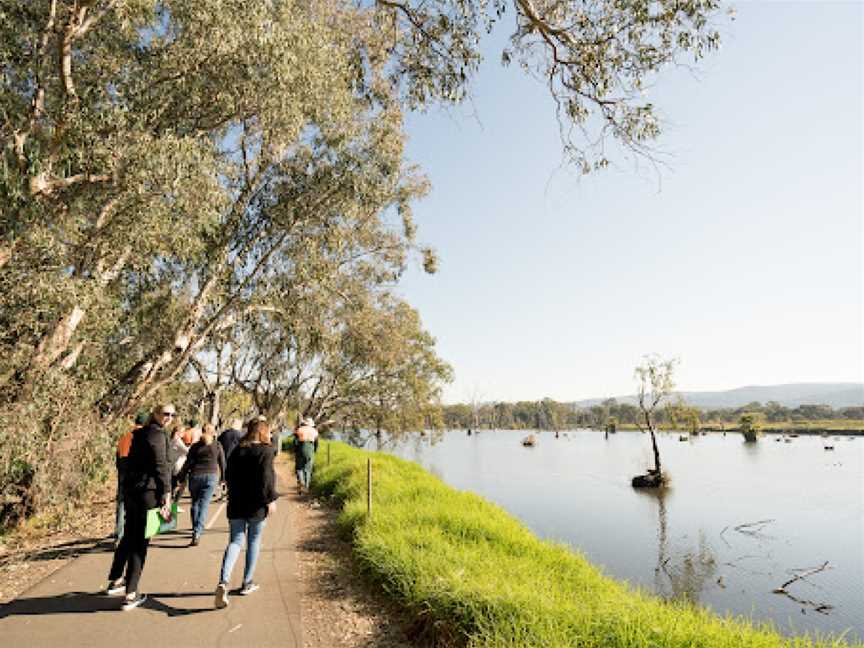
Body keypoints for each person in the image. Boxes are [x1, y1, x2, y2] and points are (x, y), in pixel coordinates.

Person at [104, 404, 174, 611]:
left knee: (129, 536)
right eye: (165, 414)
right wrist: (167, 494)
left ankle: (116, 580)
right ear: (155, 414)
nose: (169, 417)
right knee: (140, 543)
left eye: (172, 414)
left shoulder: (139, 434)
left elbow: (128, 462)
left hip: (132, 492)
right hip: (148, 493)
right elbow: (162, 466)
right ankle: (131, 593)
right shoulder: (158, 436)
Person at [214, 419, 277, 609]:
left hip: (237, 503)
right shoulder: (266, 451)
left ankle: (223, 581)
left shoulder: (236, 451)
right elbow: (266, 479)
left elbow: (229, 476)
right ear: (264, 432)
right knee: (254, 542)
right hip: (257, 505)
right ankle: (247, 582)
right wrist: (271, 500)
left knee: (235, 542)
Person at [176, 423, 226, 546]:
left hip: (195, 477)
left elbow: (188, 463)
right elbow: (223, 464)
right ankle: (197, 532)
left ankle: (195, 528)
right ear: (213, 433)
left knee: (195, 504)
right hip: (210, 478)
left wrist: (181, 477)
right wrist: (223, 479)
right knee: (204, 505)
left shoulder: (195, 447)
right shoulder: (217, 446)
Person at [114, 412, 148, 546]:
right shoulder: (144, 437)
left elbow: (117, 457)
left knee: (122, 503)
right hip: (138, 473)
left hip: (123, 472)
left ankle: (119, 535)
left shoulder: (124, 437)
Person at [293, 417, 319, 494]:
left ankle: (301, 482)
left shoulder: (299, 430)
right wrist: (314, 451)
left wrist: (295, 450)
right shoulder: (315, 431)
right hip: (310, 449)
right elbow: (316, 443)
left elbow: (295, 442)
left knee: (299, 468)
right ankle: (306, 487)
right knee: (308, 469)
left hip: (301, 448)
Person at [168, 424, 189, 494]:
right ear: (177, 432)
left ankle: (171, 503)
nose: (184, 433)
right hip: (179, 467)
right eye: (182, 431)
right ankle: (174, 504)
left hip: (173, 466)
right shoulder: (177, 441)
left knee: (173, 486)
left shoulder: (171, 440)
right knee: (183, 485)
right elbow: (187, 451)